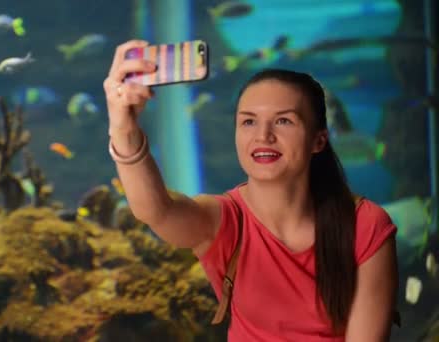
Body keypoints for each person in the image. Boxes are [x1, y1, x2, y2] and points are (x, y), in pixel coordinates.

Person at [103, 40, 398, 342]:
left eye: (283, 121)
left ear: (319, 140)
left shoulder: (366, 225)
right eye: (248, 121)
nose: (263, 136)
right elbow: (156, 210)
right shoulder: (224, 220)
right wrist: (123, 128)